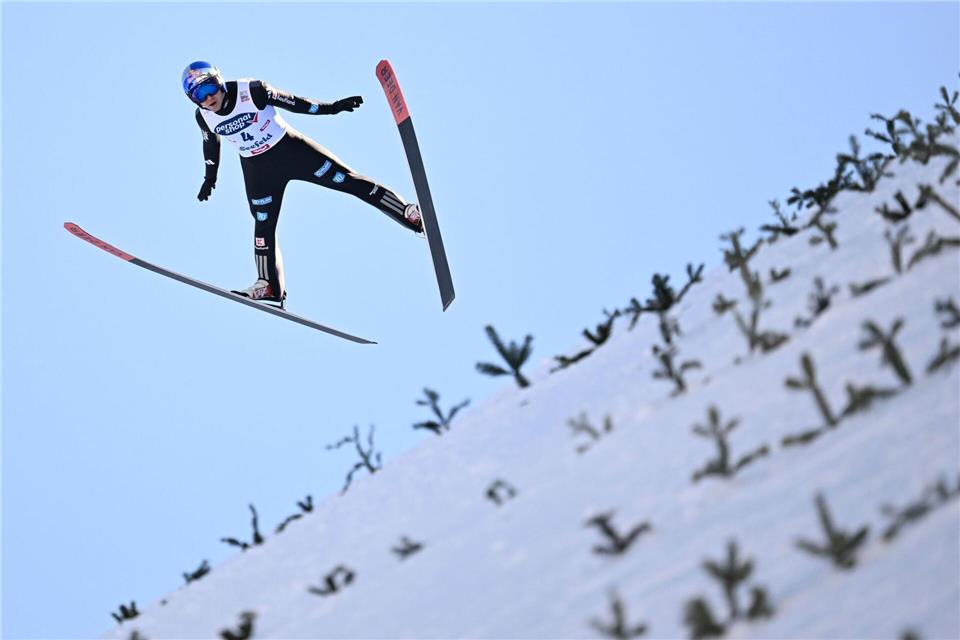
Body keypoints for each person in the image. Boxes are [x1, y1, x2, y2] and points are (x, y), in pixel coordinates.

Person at [182, 61, 423, 304]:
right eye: (198, 95)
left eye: (209, 88)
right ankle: (268, 285)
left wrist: (331, 108)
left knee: (348, 181)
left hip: (292, 153)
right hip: (258, 171)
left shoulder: (251, 90)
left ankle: (408, 213)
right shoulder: (203, 116)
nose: (208, 97)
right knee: (263, 225)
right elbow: (210, 144)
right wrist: (209, 178)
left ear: (219, 81)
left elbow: (295, 102)